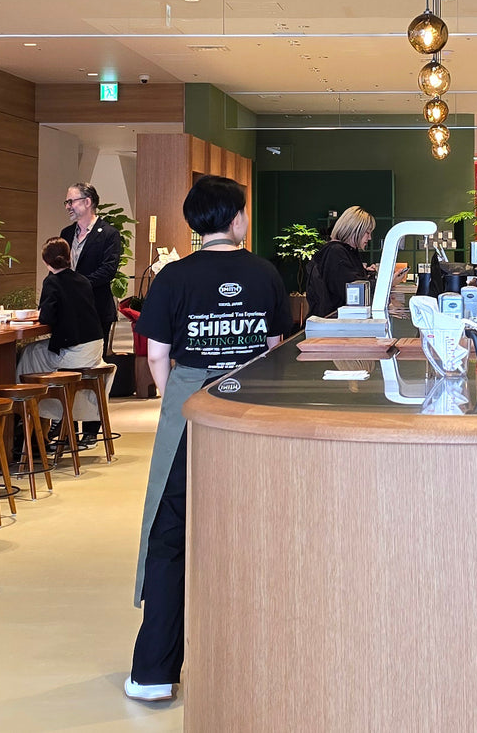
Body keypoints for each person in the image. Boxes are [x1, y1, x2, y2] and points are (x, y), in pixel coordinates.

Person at [125, 175, 291, 703]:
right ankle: (251, 662)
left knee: (169, 532)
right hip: (249, 408)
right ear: (237, 219)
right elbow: (274, 349)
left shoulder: (173, 276)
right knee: (253, 526)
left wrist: (175, 397)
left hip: (189, 404)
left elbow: (156, 353)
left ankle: (154, 672)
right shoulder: (265, 273)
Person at [15, 237, 113, 447]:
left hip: (75, 354)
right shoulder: (83, 280)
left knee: (29, 353)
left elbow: (47, 317)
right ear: (69, 257)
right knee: (35, 352)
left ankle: (23, 413)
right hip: (95, 348)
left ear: (46, 261)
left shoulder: (52, 282)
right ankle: (41, 421)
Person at [59, 183, 123, 351]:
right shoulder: (66, 234)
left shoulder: (109, 234)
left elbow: (108, 270)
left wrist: (77, 284)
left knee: (93, 361)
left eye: (71, 202)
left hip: (96, 309)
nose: (67, 207)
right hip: (69, 310)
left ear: (87, 202)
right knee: (68, 360)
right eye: (66, 202)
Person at [305, 205, 378, 318]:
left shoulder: (344, 251)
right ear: (354, 230)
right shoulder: (336, 252)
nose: (369, 238)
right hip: (332, 322)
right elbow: (353, 292)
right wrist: (384, 283)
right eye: (367, 233)